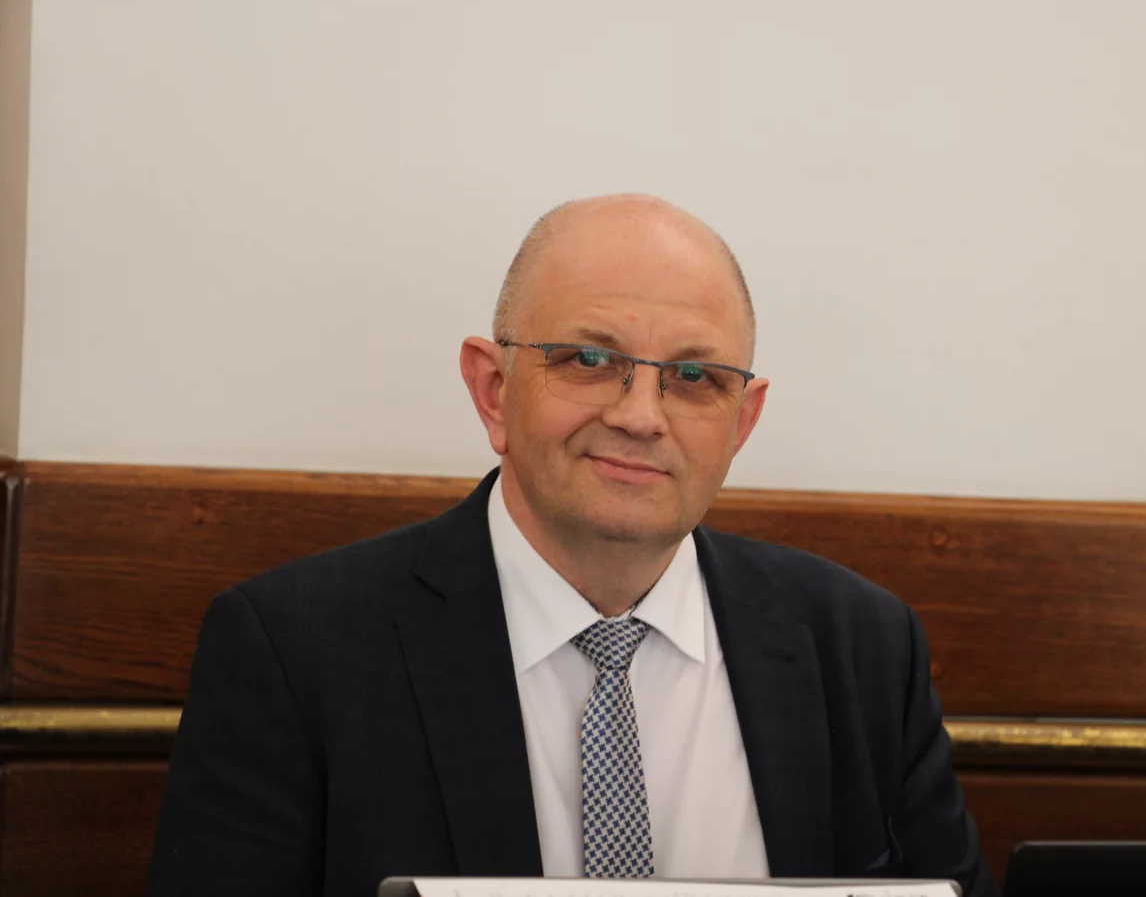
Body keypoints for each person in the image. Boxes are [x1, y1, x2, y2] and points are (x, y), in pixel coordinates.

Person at [147, 194, 996, 897]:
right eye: (590, 359)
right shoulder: (294, 651)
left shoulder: (862, 646)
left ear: (742, 422)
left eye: (694, 377)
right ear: (493, 389)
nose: (640, 416)